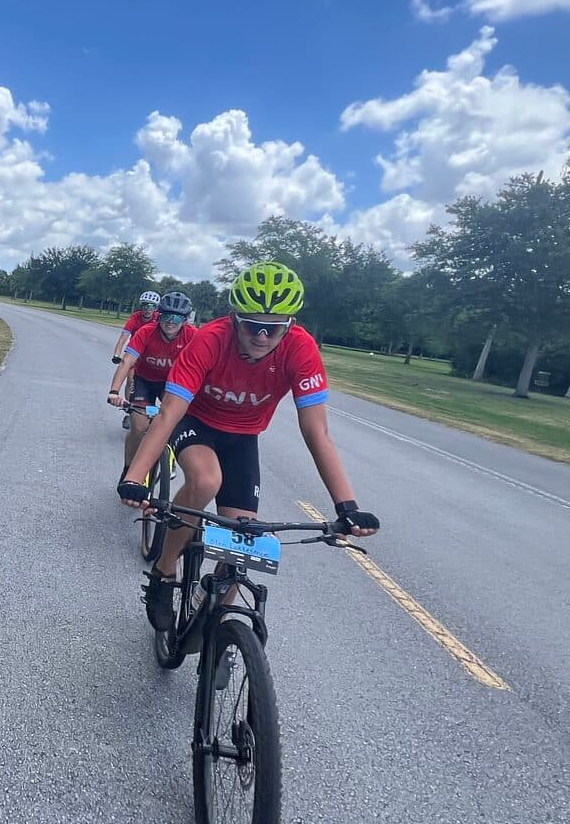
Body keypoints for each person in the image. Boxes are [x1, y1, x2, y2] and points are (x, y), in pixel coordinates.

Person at [117, 262, 380, 632]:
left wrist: (347, 506)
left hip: (242, 437)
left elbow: (317, 431)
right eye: (251, 325)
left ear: (288, 325)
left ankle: (215, 631)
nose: (261, 336)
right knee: (206, 481)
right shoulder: (209, 339)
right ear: (234, 318)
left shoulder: (300, 349)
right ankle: (163, 572)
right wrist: (135, 477)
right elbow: (169, 415)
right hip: (197, 422)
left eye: (272, 328)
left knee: (241, 550)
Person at [107, 291, 195, 480]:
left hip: (172, 385)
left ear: (185, 320)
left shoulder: (193, 336)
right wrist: (114, 391)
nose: (170, 322)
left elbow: (205, 367)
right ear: (158, 316)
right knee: (138, 427)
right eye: (165, 316)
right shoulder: (146, 332)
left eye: (176, 318)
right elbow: (127, 361)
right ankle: (129, 468)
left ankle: (169, 458)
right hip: (144, 381)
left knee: (173, 421)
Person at [113, 290, 164, 428]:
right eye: (145, 306)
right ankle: (131, 410)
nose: (148, 309)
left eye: (152, 306)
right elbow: (123, 337)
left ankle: (156, 413)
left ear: (156, 308)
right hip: (136, 352)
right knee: (131, 378)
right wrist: (116, 355)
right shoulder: (135, 318)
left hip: (152, 354)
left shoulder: (160, 319)